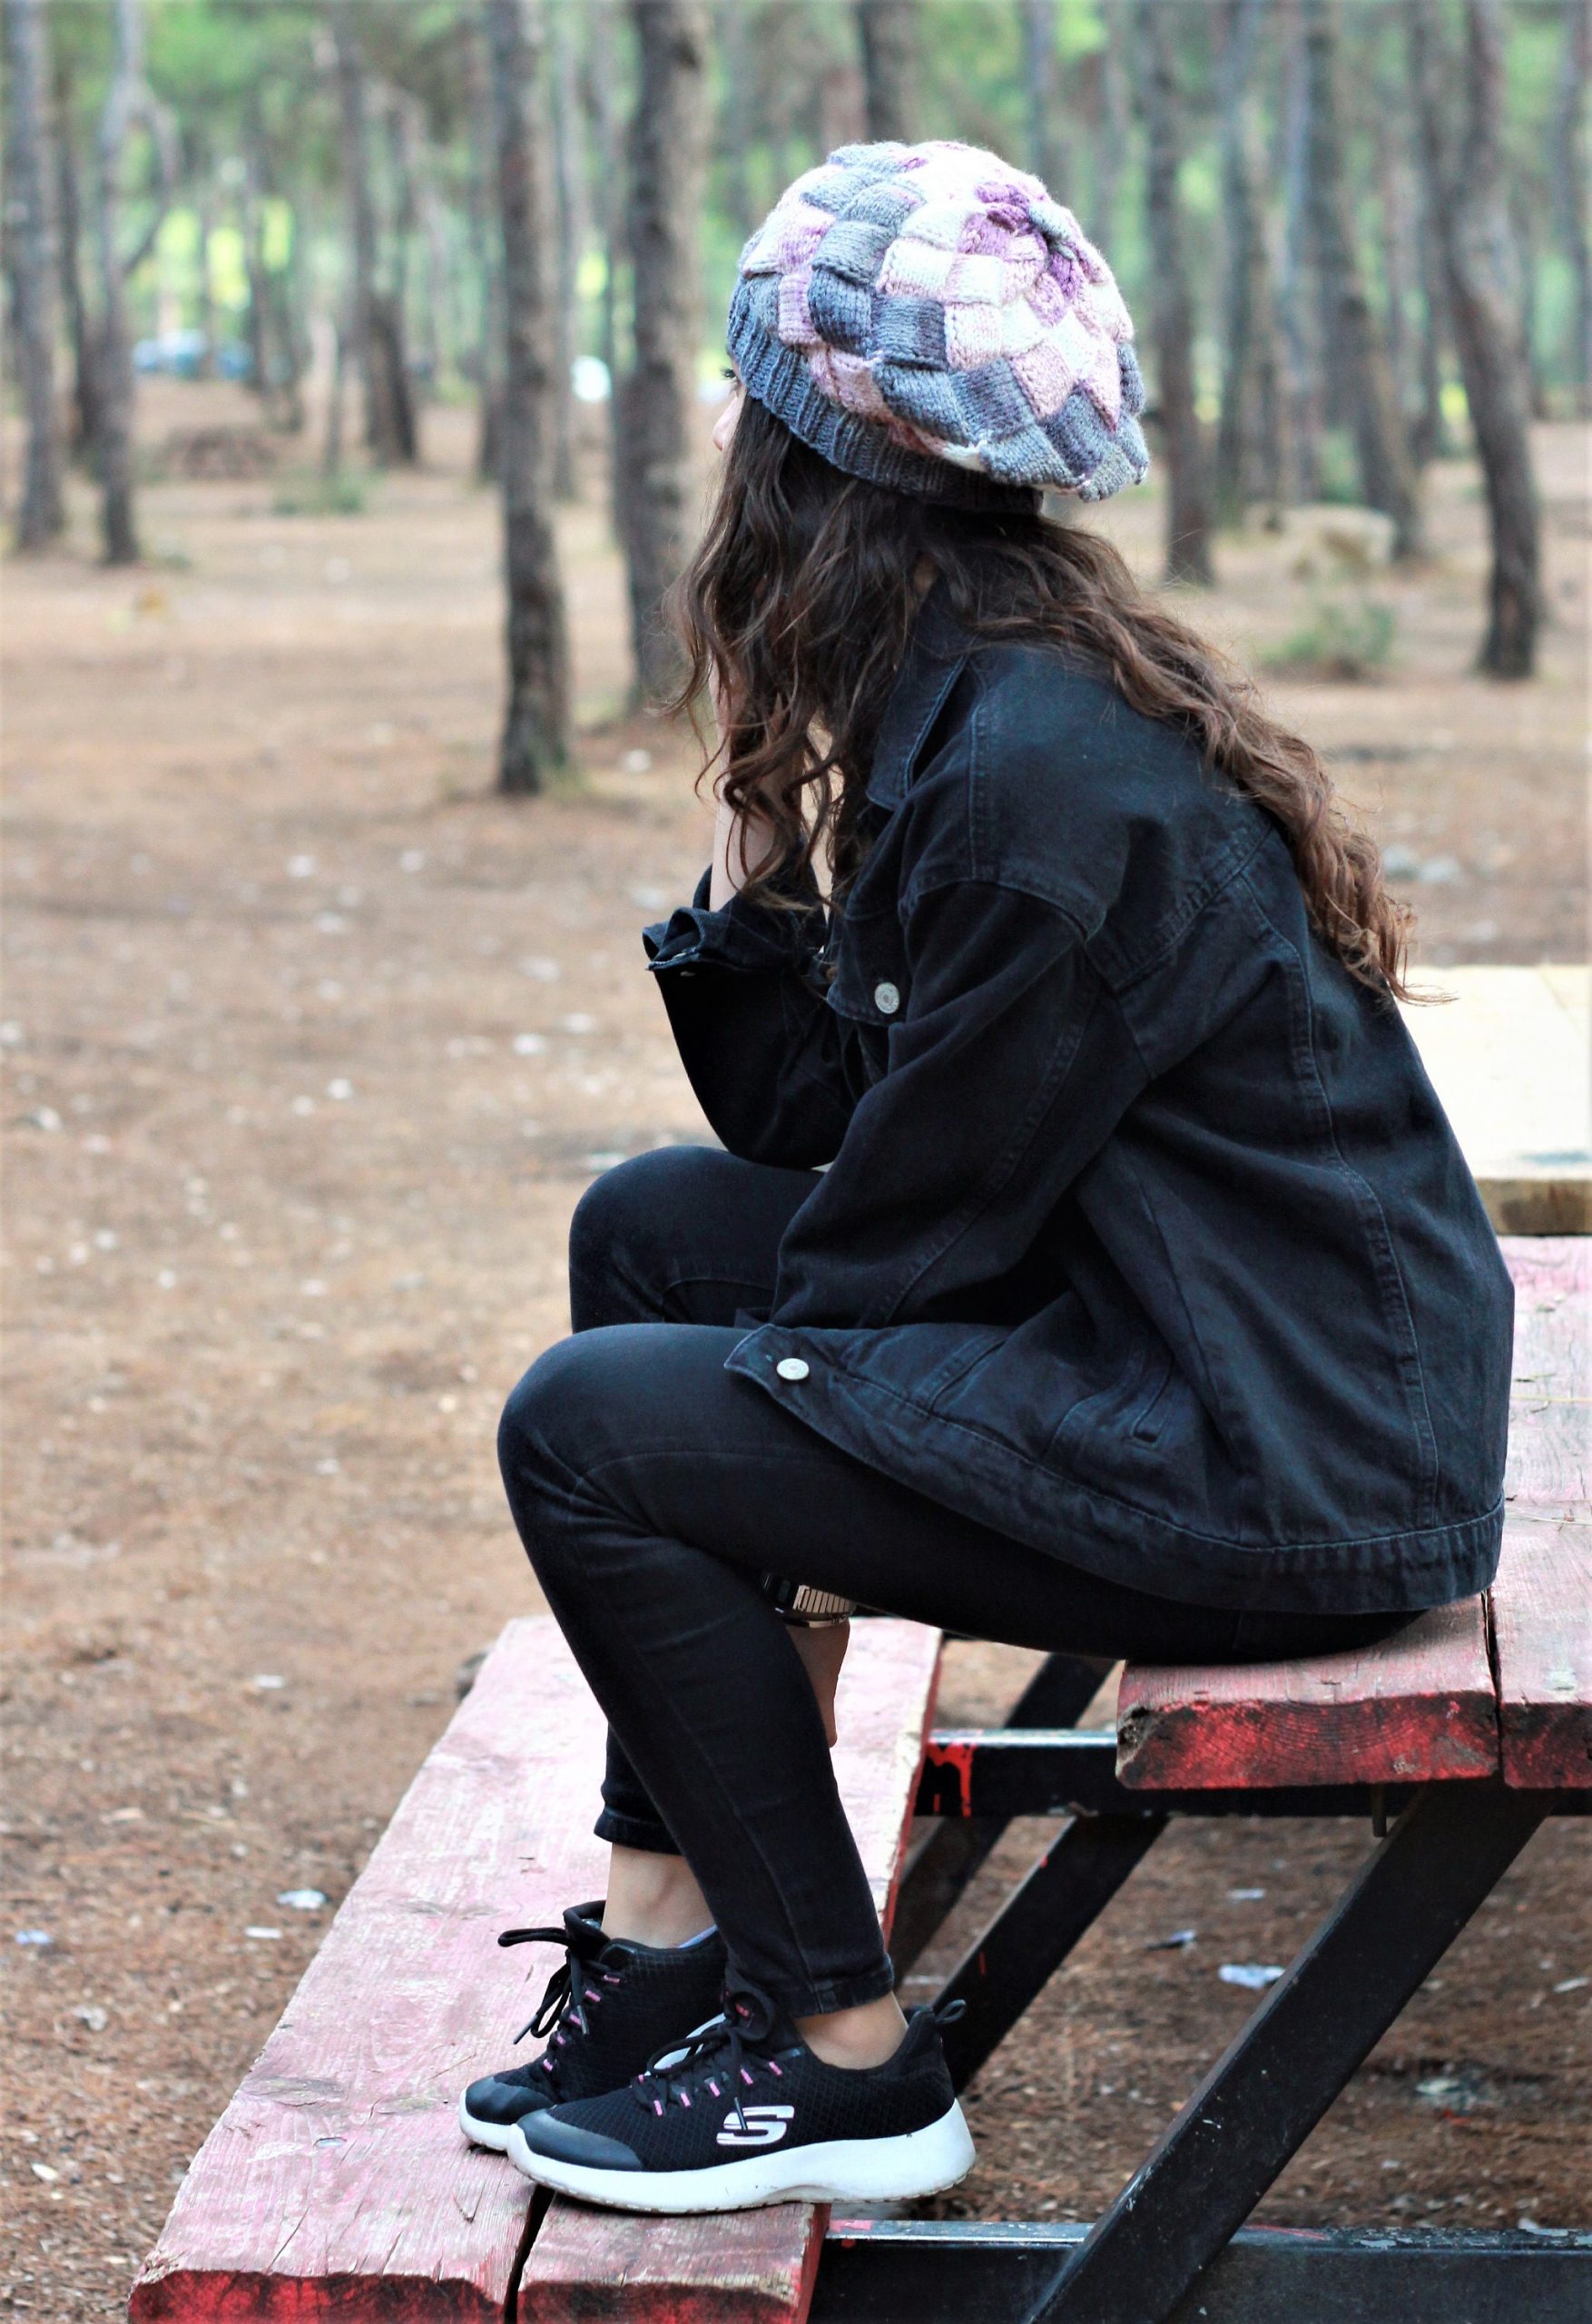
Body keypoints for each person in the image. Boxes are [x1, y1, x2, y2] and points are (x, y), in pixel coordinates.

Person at [459, 140, 1512, 2217]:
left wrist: (741, 1475)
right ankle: (673, 1944)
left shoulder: (1036, 777)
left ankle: (844, 2055)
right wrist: (766, 803)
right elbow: (816, 1127)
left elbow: (895, 1249)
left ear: (803, 467)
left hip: (1285, 1461)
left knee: (591, 1432)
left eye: (744, 401)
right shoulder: (983, 680)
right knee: (642, 1236)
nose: (717, 438)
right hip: (1207, 1346)